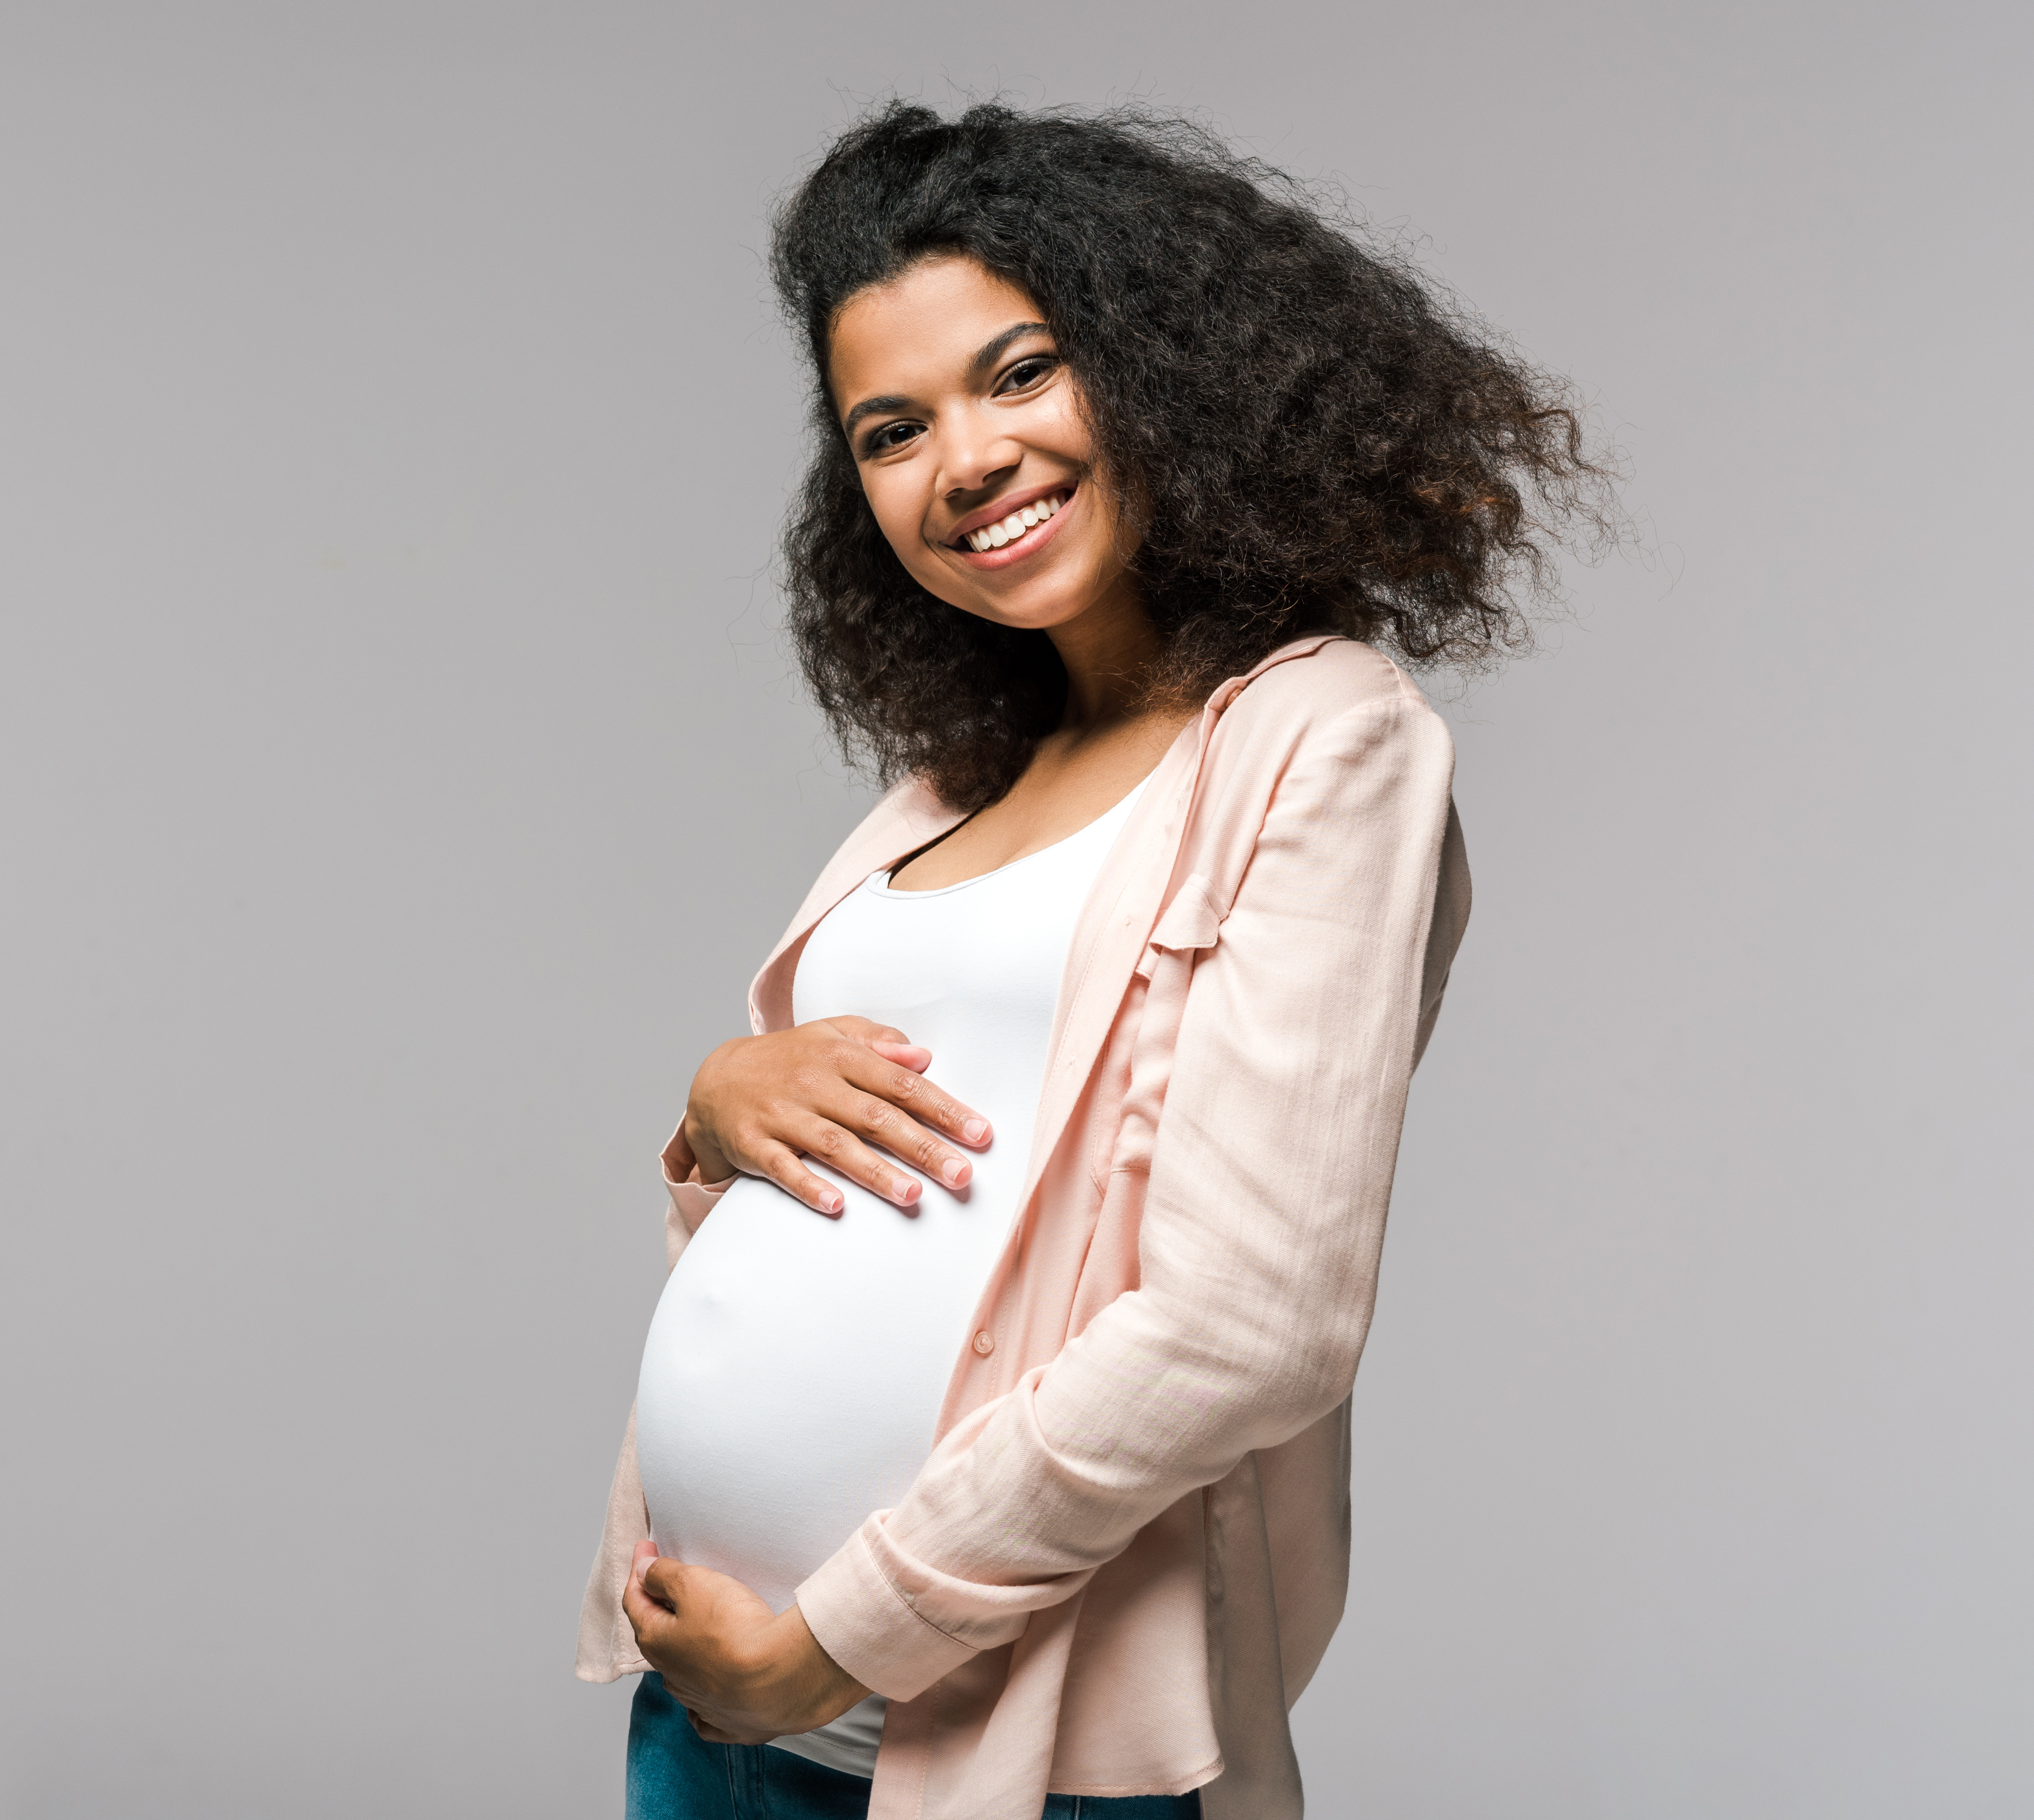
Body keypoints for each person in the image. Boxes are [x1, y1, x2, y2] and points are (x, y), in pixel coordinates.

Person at [577, 102, 1606, 1820]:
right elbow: (850, 1195)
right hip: (719, 1712)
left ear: (1166, 364)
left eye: (1020, 371)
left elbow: (1252, 1322)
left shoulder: (1314, 735)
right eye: (889, 428)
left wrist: (837, 1639)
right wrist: (715, 1108)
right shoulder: (940, 787)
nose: (962, 458)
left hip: (1000, 1743)